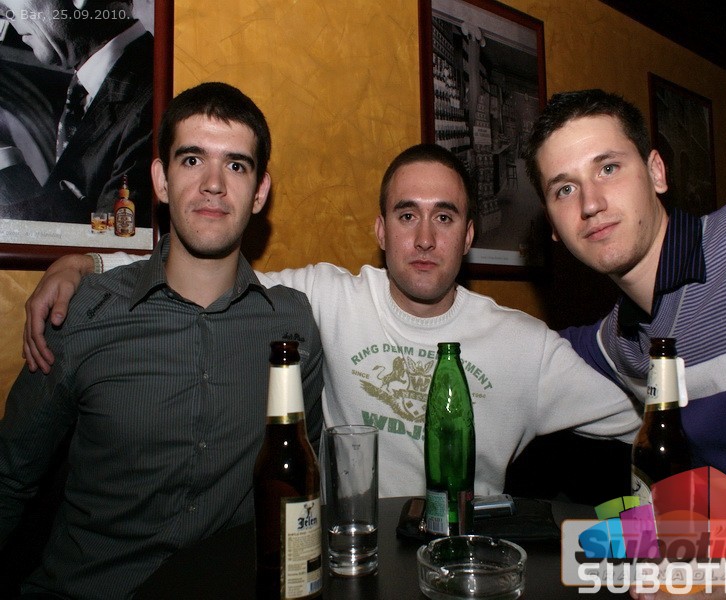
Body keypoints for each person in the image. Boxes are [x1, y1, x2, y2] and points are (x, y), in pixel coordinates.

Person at [22, 142, 641, 499]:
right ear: (380, 231)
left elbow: (650, 426)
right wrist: (89, 262)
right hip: (348, 563)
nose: (425, 238)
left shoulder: (524, 345)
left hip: (464, 569)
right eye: (406, 215)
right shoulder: (326, 297)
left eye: (445, 217)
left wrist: (626, 545)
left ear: (469, 235)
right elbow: (206, 274)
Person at [0, 82, 324, 599]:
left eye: (236, 165)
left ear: (260, 191)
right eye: (192, 160)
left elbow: (304, 483)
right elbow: (10, 477)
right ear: (161, 180)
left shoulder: (292, 325)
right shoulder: (83, 313)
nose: (214, 184)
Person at [524, 89, 726, 531]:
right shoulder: (619, 341)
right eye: (565, 189)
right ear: (553, 226)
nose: (590, 204)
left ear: (656, 172)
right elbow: (520, 348)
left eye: (608, 168)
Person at [0, 0, 153, 225]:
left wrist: (7, 170)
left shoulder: (153, 105)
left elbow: (115, 236)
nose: (2, 11)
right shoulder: (86, 86)